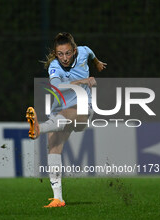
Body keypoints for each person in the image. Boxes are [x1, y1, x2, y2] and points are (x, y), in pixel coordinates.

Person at [26, 32, 106, 208]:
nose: (64, 58)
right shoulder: (54, 66)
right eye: (60, 54)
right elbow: (57, 87)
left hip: (83, 110)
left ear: (74, 50)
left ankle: (39, 128)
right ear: (56, 54)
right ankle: (58, 198)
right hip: (59, 111)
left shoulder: (84, 51)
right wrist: (84, 81)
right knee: (54, 147)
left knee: (71, 113)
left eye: (68, 53)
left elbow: (91, 54)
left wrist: (97, 62)